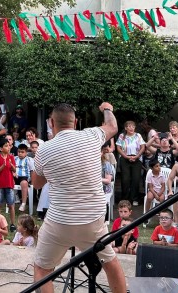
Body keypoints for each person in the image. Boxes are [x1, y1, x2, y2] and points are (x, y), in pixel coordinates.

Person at [31, 103, 126, 293]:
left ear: (51, 123)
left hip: (60, 221)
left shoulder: (44, 149)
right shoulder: (91, 136)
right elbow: (113, 127)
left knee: (42, 269)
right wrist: (107, 108)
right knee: (109, 261)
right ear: (75, 122)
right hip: (92, 220)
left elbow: (37, 183)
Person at [115, 120, 145, 206]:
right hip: (125, 158)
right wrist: (126, 156)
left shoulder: (138, 136)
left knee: (136, 179)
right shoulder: (122, 136)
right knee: (125, 179)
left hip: (137, 158)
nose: (131, 128)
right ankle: (125, 199)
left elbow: (143, 146)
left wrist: (137, 156)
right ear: (125, 128)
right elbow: (118, 148)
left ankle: (134, 199)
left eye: (132, 126)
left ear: (135, 127)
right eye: (129, 126)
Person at [0, 138, 17, 232]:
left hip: (9, 183)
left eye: (9, 145)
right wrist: (3, 165)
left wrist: (11, 166)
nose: (8, 147)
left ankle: (12, 224)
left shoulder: (11, 157)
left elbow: (14, 170)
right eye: (6, 146)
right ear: (1, 148)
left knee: (11, 204)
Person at [14, 143, 34, 212]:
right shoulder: (15, 158)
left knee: (24, 183)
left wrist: (32, 181)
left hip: (24, 177)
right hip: (15, 176)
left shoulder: (29, 160)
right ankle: (14, 198)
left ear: (26, 153)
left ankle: (23, 203)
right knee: (9, 180)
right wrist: (13, 173)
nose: (20, 154)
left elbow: (32, 171)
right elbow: (11, 168)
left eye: (22, 152)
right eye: (19, 152)